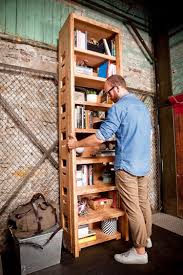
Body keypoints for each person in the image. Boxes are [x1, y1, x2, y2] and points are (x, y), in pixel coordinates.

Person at [68, 74, 152, 264]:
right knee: (143, 203)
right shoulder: (142, 107)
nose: (108, 97)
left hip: (127, 166)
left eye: (107, 93)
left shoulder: (119, 107)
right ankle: (146, 239)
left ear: (116, 88)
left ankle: (139, 252)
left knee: (133, 209)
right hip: (144, 164)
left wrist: (76, 144)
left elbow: (100, 137)